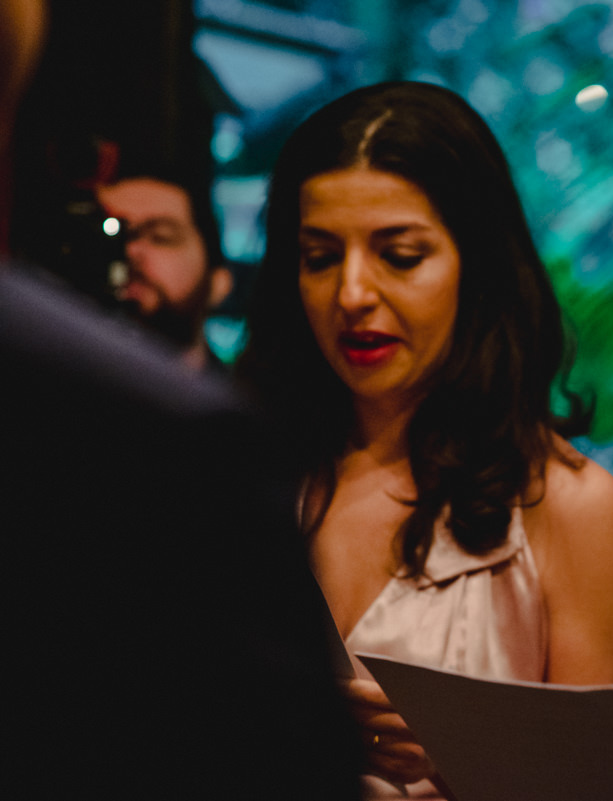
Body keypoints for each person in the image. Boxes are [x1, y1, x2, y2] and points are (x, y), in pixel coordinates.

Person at [237, 80, 613, 799]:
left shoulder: (564, 504)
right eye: (320, 256)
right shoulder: (247, 475)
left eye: (399, 255)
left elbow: (596, 786)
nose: (352, 293)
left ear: (475, 267)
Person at [1, 2, 364, 799]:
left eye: (158, 235)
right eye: (105, 234)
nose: (128, 258)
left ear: (220, 271)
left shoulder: (207, 440)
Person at [95, 164, 234, 370]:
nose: (129, 250)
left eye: (161, 237)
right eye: (111, 235)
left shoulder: (249, 400)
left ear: (218, 282)